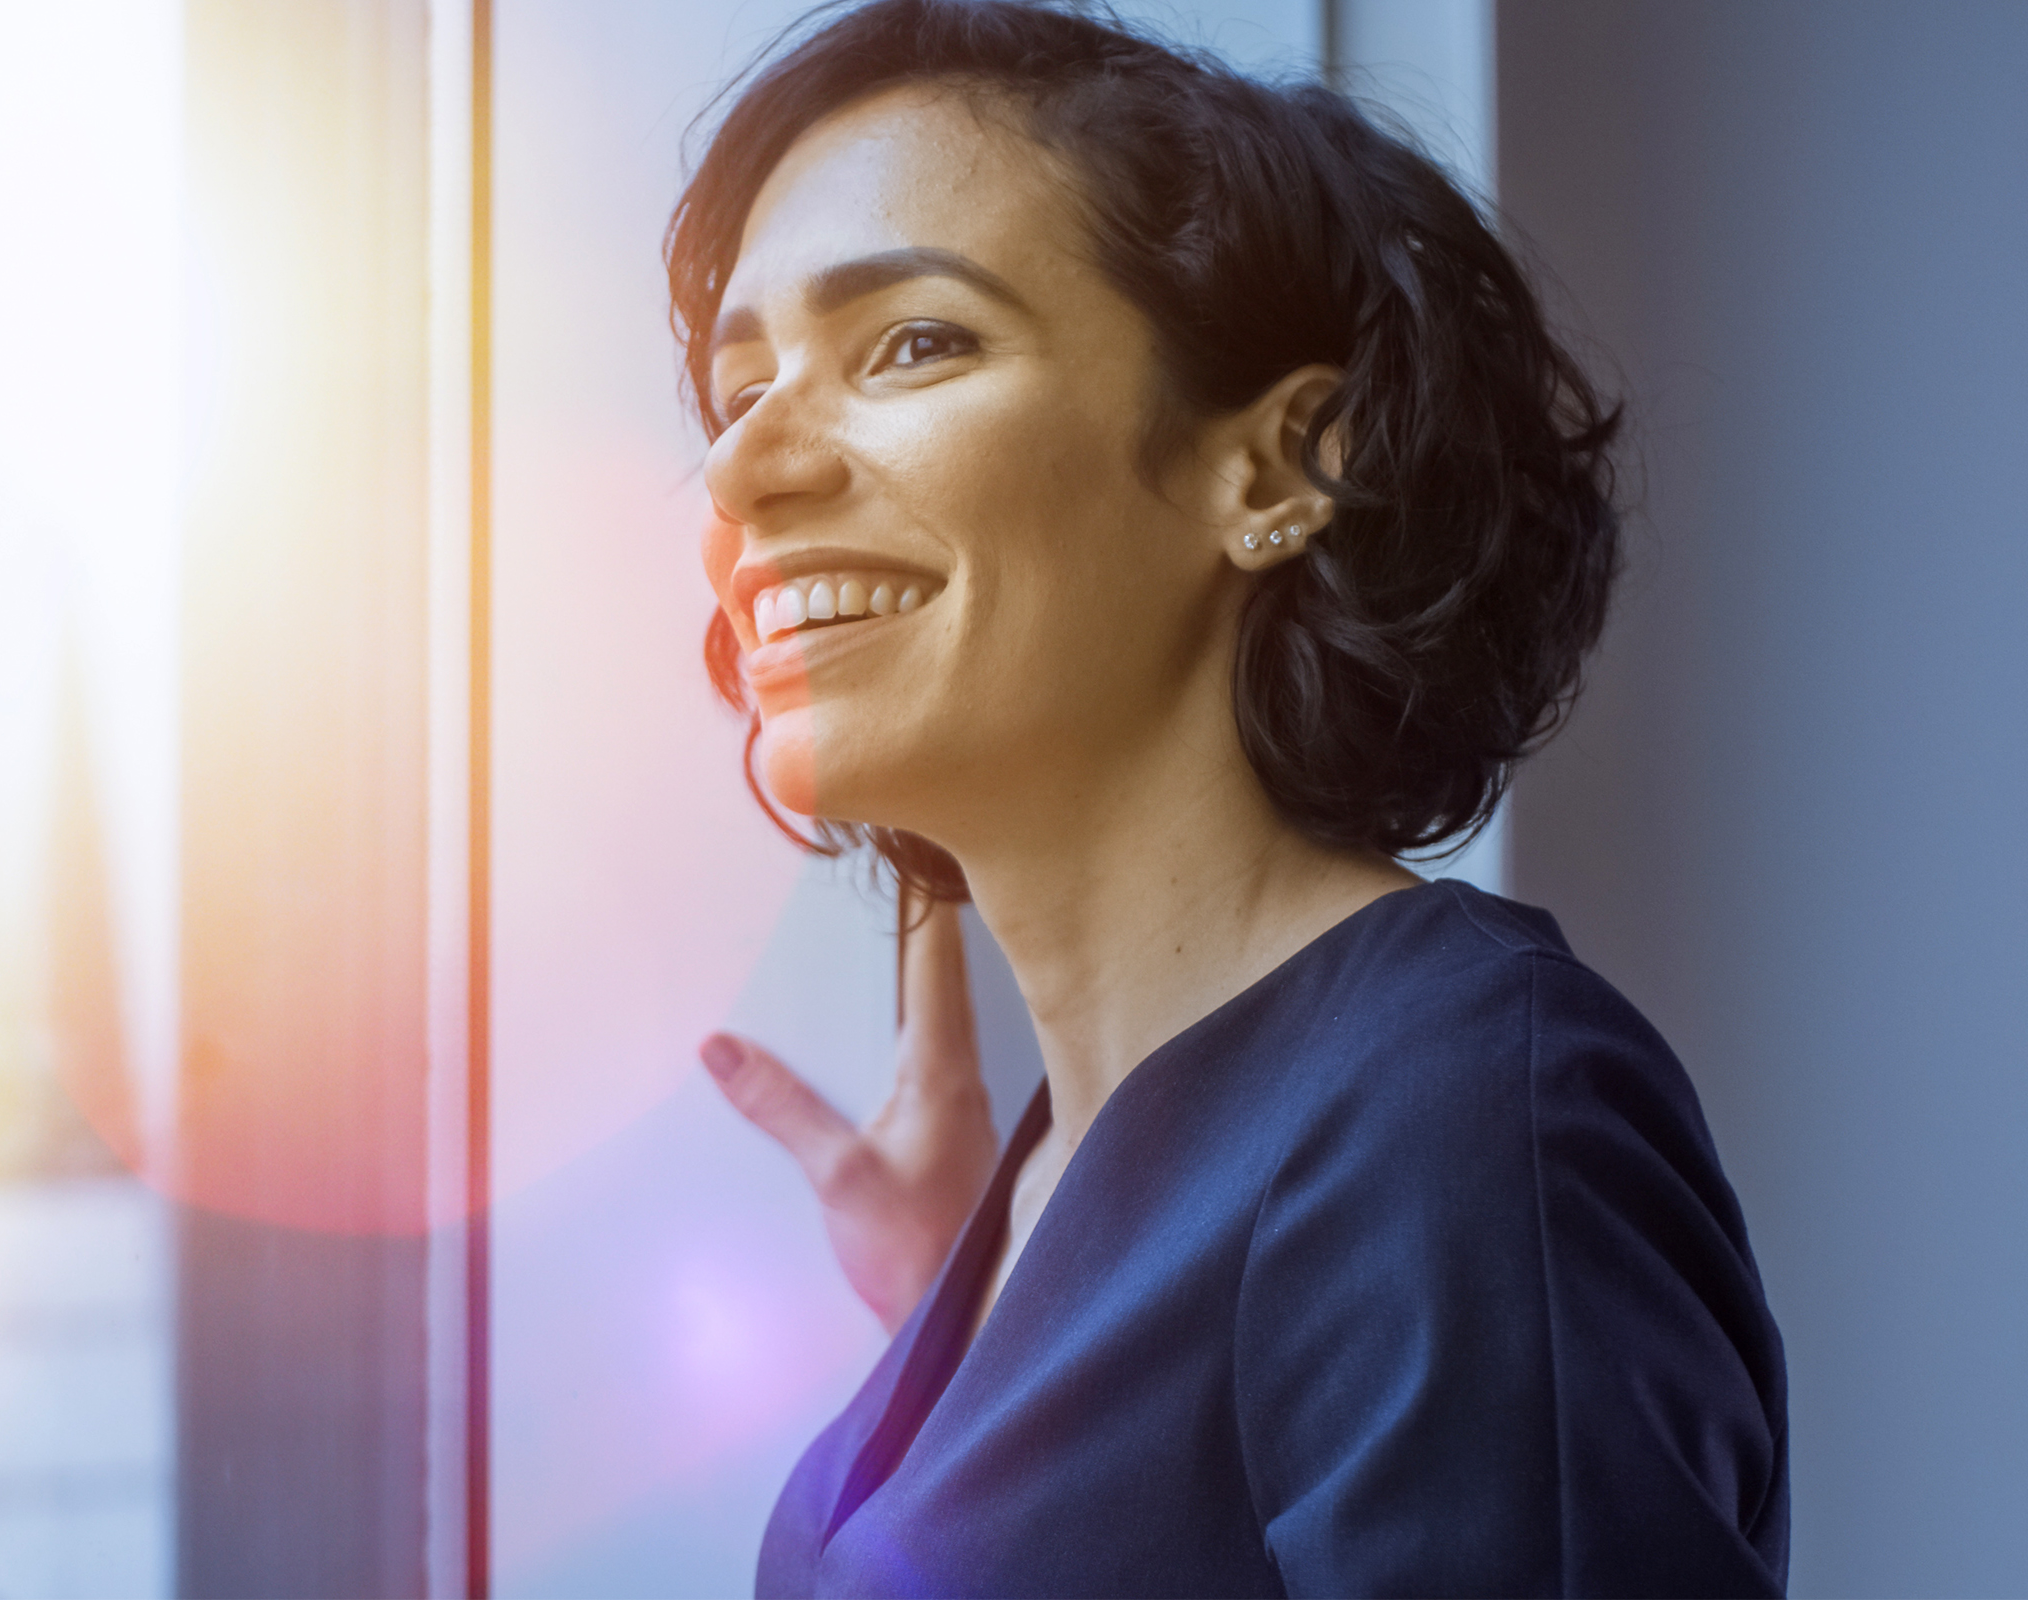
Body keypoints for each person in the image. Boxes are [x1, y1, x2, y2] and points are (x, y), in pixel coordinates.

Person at [678, 3, 1788, 1595]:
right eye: (735, 390)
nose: (740, 469)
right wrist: (996, 1384)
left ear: (1277, 472)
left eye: (913, 342)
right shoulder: (1066, 1180)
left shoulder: (1457, 1116)